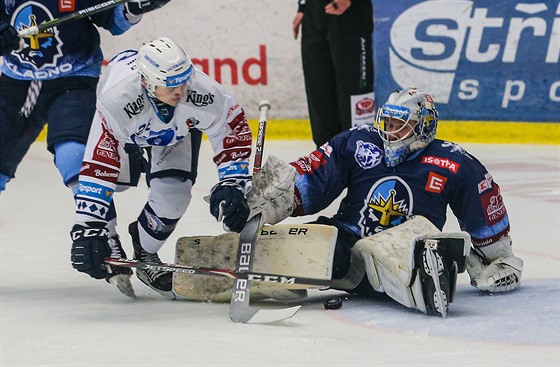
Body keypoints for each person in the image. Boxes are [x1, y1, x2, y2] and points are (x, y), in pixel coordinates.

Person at [247, 87, 523, 316]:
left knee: (409, 246)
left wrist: (497, 257)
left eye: (400, 125)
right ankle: (238, 267)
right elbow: (311, 181)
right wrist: (265, 196)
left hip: (405, 246)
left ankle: (427, 272)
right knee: (312, 242)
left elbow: (484, 206)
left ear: (424, 126)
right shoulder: (357, 143)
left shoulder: (453, 162)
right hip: (344, 248)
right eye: (387, 123)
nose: (390, 131)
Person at [69, 36, 253, 299]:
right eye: (170, 84)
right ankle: (109, 237)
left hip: (176, 134)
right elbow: (100, 166)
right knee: (113, 186)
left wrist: (232, 183)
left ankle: (145, 249)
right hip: (128, 136)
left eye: (183, 79)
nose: (180, 91)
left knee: (174, 196)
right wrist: (89, 228)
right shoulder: (117, 102)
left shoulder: (203, 90)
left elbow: (230, 130)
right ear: (146, 82)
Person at [0, 0, 172, 193]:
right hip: (17, 82)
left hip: (74, 78)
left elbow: (112, 20)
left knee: (73, 155)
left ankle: (95, 222)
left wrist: (132, 9)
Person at [292, 0, 375, 147]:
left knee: (354, 92)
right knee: (319, 89)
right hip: (314, 12)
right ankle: (326, 158)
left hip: (350, 12)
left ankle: (360, 155)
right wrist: (303, 6)